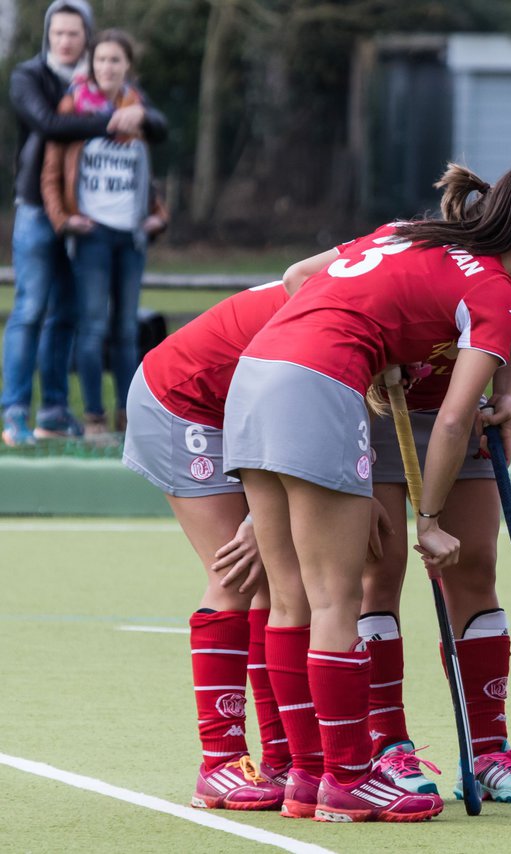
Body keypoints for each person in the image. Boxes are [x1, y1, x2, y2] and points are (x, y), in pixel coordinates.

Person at [222, 163, 511, 823]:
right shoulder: (497, 287)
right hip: (324, 387)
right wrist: (431, 519)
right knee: (339, 595)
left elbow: (300, 278)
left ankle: (310, 781)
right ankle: (354, 776)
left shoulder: (412, 234)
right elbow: (450, 419)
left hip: (254, 375)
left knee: (293, 596)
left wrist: (377, 339)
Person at [358, 265, 511, 805]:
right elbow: (310, 287)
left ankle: (487, 749)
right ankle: (385, 746)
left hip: (464, 415)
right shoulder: (426, 259)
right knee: (377, 569)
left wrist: (509, 391)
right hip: (377, 409)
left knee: (474, 566)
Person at [121, 281, 292, 811]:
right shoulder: (362, 297)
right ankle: (219, 762)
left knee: (276, 573)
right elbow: (280, 401)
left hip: (242, 404)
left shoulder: (379, 286)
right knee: (237, 571)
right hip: (185, 397)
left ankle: (282, 757)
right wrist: (259, 518)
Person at [3, 1, 165, 446]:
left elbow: (154, 128)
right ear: (47, 35)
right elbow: (49, 123)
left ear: (86, 38)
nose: (66, 41)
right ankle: (14, 410)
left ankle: (54, 411)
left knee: (68, 315)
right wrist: (116, 121)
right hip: (39, 210)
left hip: (90, 220)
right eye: (58, 33)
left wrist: (142, 118)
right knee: (31, 308)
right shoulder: (29, 76)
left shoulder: (104, 79)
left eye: (75, 34)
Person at [42, 28, 167, 440]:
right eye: (100, 60)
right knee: (93, 327)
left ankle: (130, 417)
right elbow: (53, 172)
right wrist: (63, 219)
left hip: (130, 237)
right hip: (91, 235)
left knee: (128, 330)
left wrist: (157, 215)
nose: (107, 67)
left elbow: (148, 170)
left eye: (115, 60)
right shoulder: (73, 105)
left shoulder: (137, 107)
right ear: (90, 65)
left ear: (128, 65)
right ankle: (94, 417)